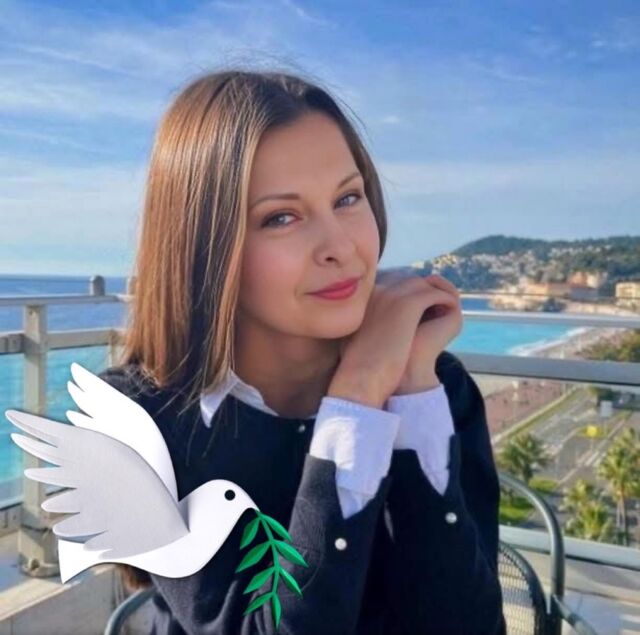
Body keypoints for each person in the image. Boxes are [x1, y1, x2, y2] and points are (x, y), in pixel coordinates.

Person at [99, 69, 506, 634]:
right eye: (281, 218)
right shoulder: (136, 421)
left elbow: (468, 625)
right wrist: (360, 391)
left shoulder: (435, 385)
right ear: (204, 248)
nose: (340, 247)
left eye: (348, 198)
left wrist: (409, 386)